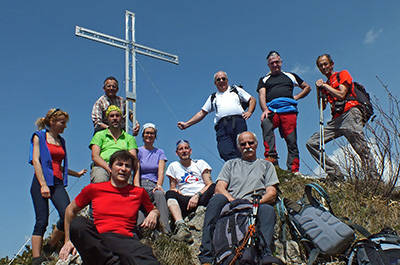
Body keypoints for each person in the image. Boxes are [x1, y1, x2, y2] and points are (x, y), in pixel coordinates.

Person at [59, 150, 160, 265]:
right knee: (78, 223)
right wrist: (67, 241)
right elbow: (70, 210)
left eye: (127, 166)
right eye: (119, 164)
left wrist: (153, 213)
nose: (123, 169)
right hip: (99, 239)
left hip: (126, 240)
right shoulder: (93, 189)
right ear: (110, 168)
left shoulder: (138, 192)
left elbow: (153, 209)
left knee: (147, 258)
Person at [198, 131, 279, 265]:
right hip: (232, 201)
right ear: (239, 147)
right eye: (243, 144)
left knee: (268, 210)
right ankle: (206, 255)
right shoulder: (230, 164)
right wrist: (232, 200)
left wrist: (257, 202)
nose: (247, 146)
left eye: (250, 143)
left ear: (256, 144)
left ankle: (266, 254)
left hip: (255, 203)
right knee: (216, 200)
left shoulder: (266, 165)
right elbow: (219, 187)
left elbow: (271, 193)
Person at [306, 54, 379, 181]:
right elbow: (322, 107)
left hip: (350, 113)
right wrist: (319, 91)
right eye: (320, 66)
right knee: (312, 143)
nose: (324, 67)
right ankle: (335, 174)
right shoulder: (326, 85)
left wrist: (325, 86)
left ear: (331, 64)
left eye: (325, 64)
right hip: (336, 121)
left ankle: (375, 180)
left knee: (361, 148)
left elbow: (341, 94)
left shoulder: (342, 74)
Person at [29, 108, 86, 265]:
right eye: (62, 122)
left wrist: (77, 174)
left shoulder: (62, 141)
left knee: (68, 212)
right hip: (41, 181)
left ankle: (52, 245)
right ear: (52, 122)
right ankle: (36, 259)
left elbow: (58, 166)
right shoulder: (39, 137)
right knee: (42, 220)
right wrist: (43, 185)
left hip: (58, 182)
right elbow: (36, 161)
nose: (65, 126)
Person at [177, 71, 256, 161]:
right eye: (218, 80)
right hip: (223, 126)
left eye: (223, 79)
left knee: (243, 147)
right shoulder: (213, 97)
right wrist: (187, 124)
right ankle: (236, 166)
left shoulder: (236, 90)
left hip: (238, 122)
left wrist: (249, 111)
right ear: (215, 83)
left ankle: (244, 167)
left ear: (227, 80)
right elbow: (202, 113)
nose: (221, 81)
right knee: (224, 150)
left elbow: (251, 99)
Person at [257, 51, 311, 173]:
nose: (275, 65)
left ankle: (293, 170)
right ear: (268, 65)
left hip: (289, 111)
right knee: (266, 125)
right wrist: (265, 109)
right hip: (272, 110)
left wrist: (296, 97)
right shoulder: (264, 79)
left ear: (281, 62)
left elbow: (307, 87)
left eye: (277, 62)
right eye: (272, 63)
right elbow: (262, 96)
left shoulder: (291, 76)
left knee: (291, 140)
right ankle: (272, 164)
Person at [165, 140, 216, 243]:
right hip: (185, 199)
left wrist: (198, 195)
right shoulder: (173, 166)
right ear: (177, 153)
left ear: (190, 150)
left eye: (186, 148)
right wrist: (175, 191)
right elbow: (172, 187)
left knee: (215, 186)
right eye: (181, 149)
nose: (184, 151)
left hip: (201, 195)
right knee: (169, 194)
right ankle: (181, 226)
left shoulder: (200, 163)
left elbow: (209, 183)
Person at [89, 105, 139, 184]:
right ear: (107, 119)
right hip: (102, 167)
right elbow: (95, 156)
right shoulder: (99, 135)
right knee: (100, 179)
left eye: (117, 116)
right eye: (112, 116)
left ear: (122, 119)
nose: (115, 118)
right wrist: (109, 168)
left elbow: (133, 158)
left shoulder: (129, 138)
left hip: (122, 168)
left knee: (125, 184)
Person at [136, 123, 171, 234]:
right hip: (140, 183)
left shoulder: (159, 152)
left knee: (159, 194)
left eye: (152, 133)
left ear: (155, 136)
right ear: (143, 135)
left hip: (153, 184)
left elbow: (161, 171)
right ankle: (141, 230)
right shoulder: (138, 151)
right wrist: (136, 186)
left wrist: (159, 185)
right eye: (147, 133)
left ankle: (165, 231)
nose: (149, 135)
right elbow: (136, 170)